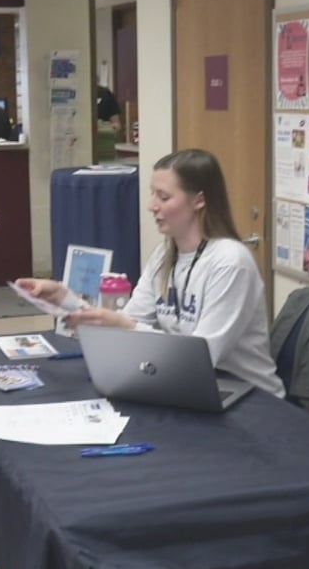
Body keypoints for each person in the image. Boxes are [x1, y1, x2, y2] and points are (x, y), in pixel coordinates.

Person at [15, 148, 284, 397]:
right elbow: (121, 327)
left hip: (248, 396)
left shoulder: (230, 262)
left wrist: (127, 327)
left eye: (164, 197)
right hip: (194, 388)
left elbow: (202, 357)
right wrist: (65, 299)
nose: (152, 206)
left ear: (199, 201)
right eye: (152, 194)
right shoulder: (164, 256)